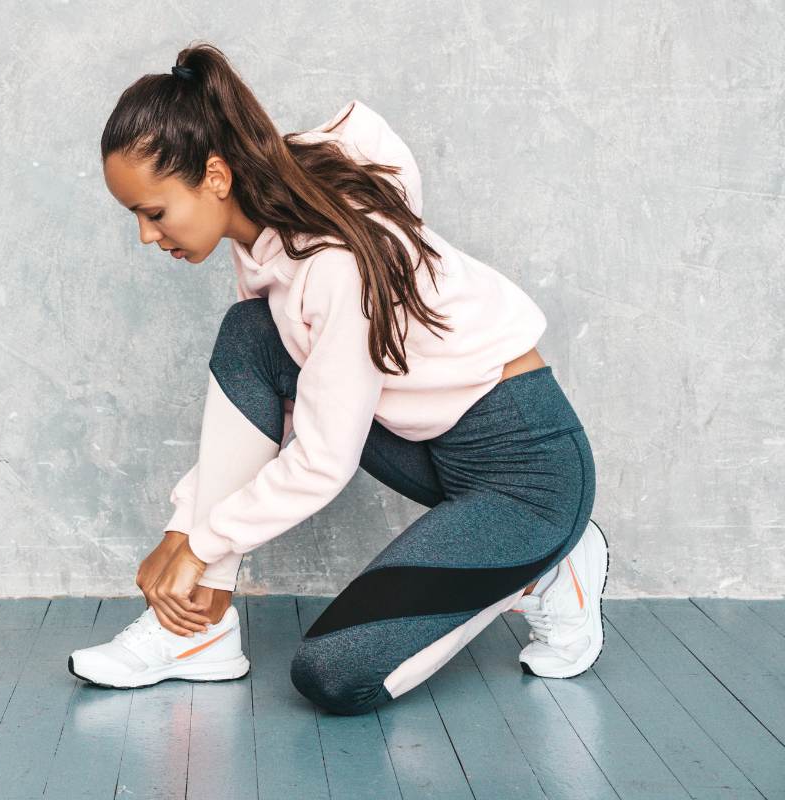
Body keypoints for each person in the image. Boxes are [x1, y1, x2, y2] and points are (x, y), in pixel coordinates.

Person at [69, 42, 608, 716]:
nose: (149, 237)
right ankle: (198, 631)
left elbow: (323, 459)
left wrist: (198, 540)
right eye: (136, 218)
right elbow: (283, 406)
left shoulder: (332, 264)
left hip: (529, 474)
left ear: (213, 176)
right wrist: (188, 532)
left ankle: (550, 560)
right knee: (253, 335)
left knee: (333, 674)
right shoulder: (267, 223)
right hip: (434, 447)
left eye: (155, 213)